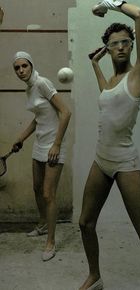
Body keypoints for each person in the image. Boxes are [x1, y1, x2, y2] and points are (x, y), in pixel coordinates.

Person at [78, 1, 140, 290]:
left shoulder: (138, 74)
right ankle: (95, 277)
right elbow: (108, 99)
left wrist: (110, 4)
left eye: (125, 42)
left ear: (132, 46)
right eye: (114, 43)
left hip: (124, 163)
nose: (120, 47)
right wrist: (95, 65)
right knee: (85, 223)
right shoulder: (113, 81)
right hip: (101, 159)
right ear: (107, 48)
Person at [12, 51, 71, 261]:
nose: (21, 71)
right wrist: (22, 137)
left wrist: (56, 144)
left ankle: (51, 242)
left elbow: (65, 112)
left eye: (24, 66)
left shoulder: (42, 83)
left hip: (54, 146)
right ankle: (43, 224)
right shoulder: (30, 88)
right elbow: (39, 118)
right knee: (37, 187)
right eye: (17, 68)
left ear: (31, 65)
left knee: (48, 194)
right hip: (39, 144)